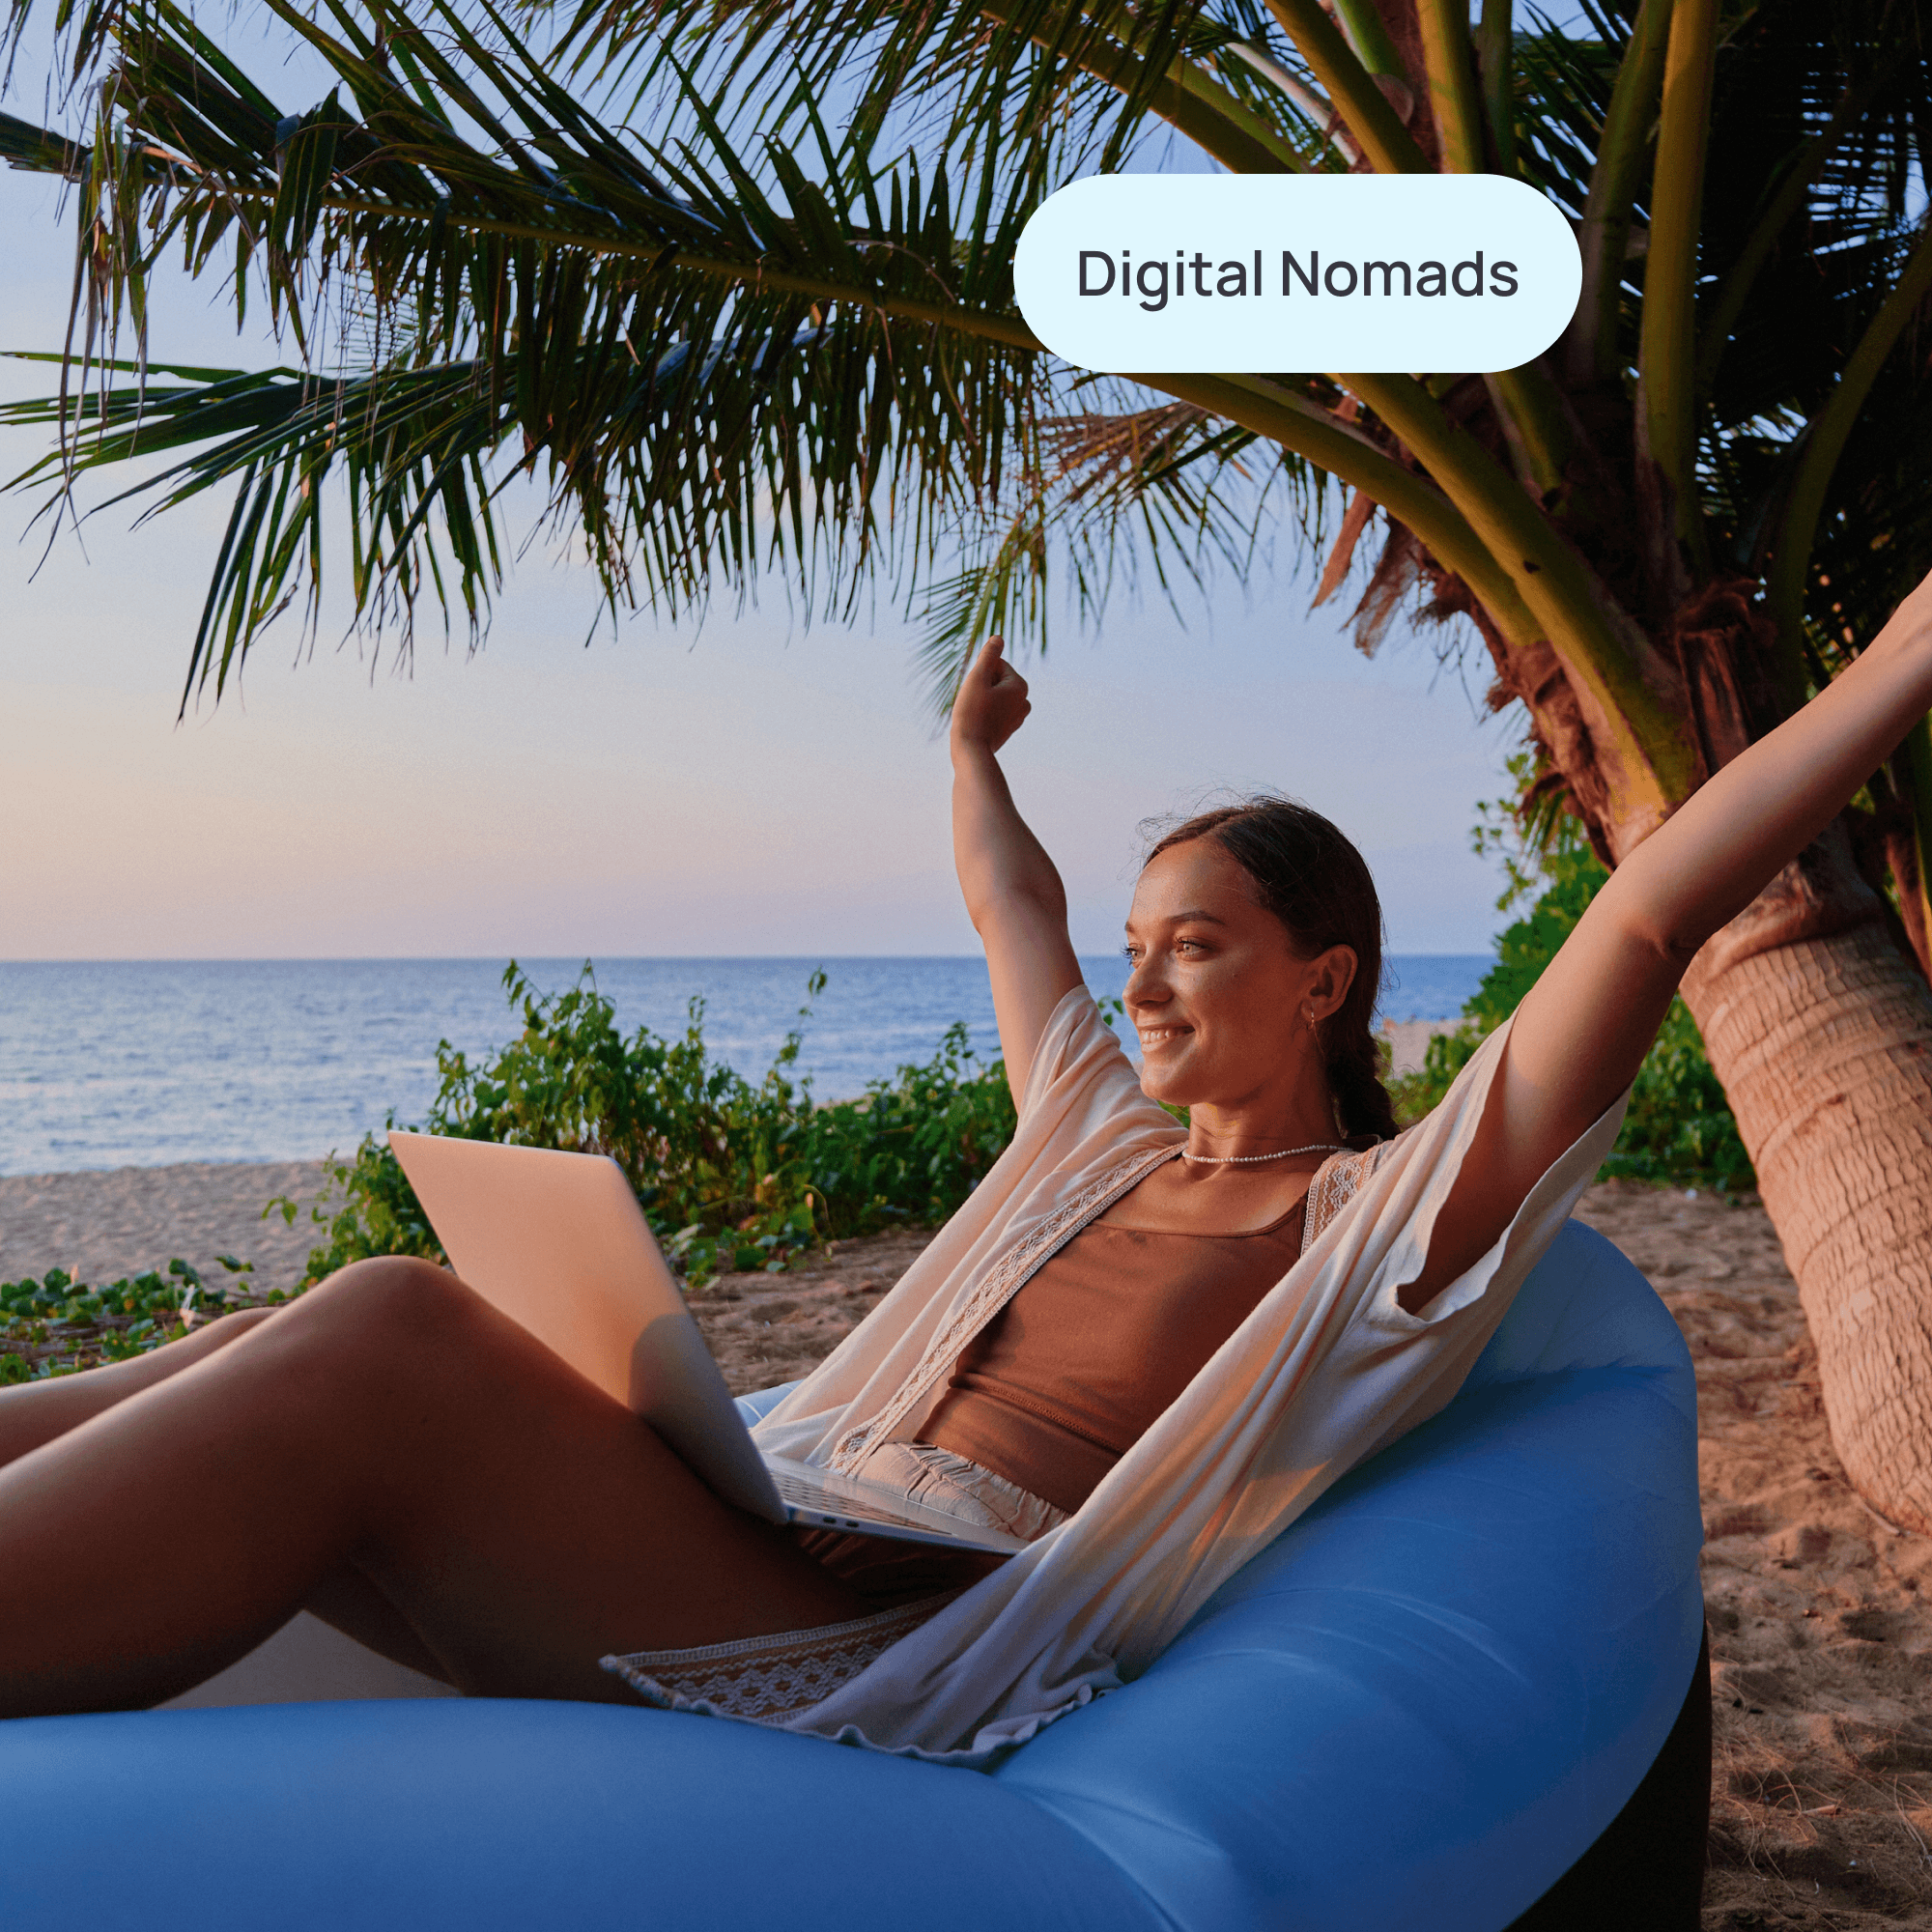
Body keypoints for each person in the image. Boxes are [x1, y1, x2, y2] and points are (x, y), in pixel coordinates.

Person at [5, 578, 1932, 1753]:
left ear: (1322, 977)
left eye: (1197, 940)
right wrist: (971, 756)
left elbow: (1648, 912)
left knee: (390, 1330)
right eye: (1142, 938)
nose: (1141, 971)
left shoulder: (1383, 1231)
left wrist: (1890, 672)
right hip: (771, 1521)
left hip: (878, 1634)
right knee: (286, 1317)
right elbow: (1018, 910)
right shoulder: (1086, 1140)